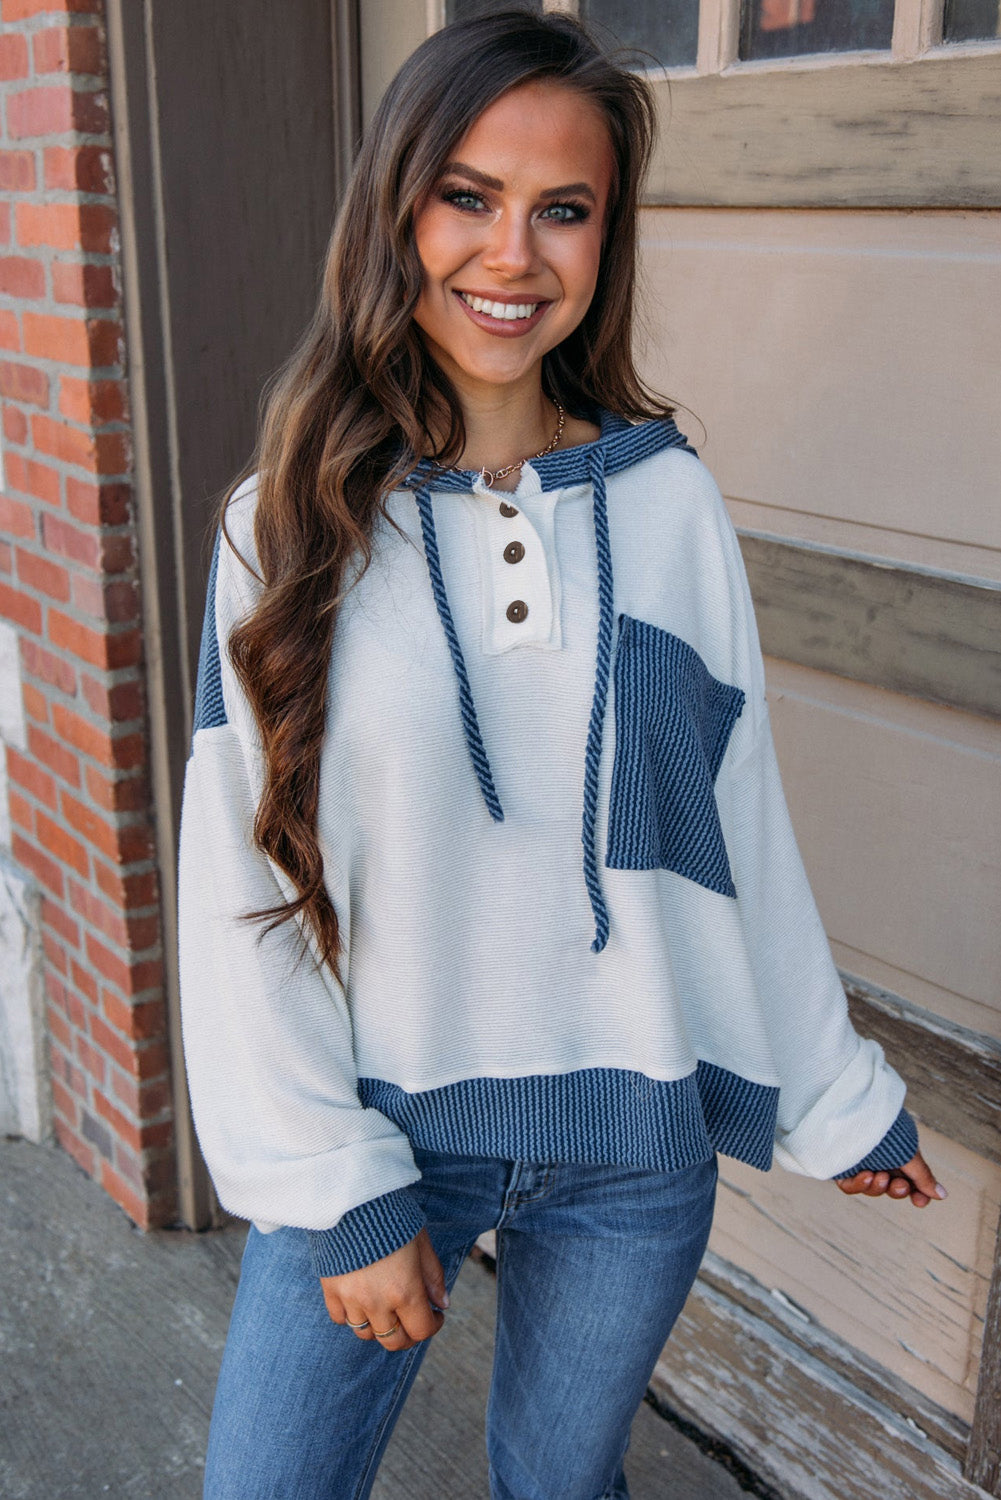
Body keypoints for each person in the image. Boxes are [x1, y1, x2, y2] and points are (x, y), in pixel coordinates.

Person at [177, 10, 947, 1499]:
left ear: (609, 234)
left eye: (563, 210)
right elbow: (238, 878)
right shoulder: (277, 532)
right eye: (466, 197)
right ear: (394, 210)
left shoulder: (665, 507)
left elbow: (730, 827)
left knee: (561, 1486)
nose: (510, 255)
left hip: (631, 1149)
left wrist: (834, 1093)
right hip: (385, 1131)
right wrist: (335, 1193)